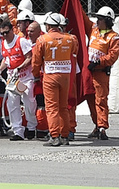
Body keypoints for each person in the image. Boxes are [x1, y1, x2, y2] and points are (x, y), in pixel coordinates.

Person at [32, 12, 78, 146]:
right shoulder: (71, 39)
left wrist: (35, 75)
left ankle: (54, 136)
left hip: (50, 76)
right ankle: (65, 136)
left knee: (52, 107)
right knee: (63, 107)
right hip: (65, 76)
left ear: (48, 25)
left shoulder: (42, 40)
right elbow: (74, 52)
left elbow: (36, 61)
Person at [82, 6, 119, 140]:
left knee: (101, 100)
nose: (97, 21)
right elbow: (84, 19)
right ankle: (97, 125)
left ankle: (102, 127)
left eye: (100, 19)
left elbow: (112, 56)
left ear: (108, 21)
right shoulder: (93, 29)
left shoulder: (114, 37)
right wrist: (75, 0)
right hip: (89, 71)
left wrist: (98, 62)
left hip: (101, 73)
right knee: (90, 98)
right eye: (97, 18)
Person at [0, 20, 37, 141]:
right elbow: (5, 59)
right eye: (2, 33)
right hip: (12, 79)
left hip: (25, 77)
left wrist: (19, 68)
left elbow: (30, 57)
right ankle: (18, 130)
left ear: (12, 30)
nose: (4, 35)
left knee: (29, 102)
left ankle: (31, 126)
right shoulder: (3, 43)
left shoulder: (21, 41)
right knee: (12, 104)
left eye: (6, 32)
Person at [27, 21, 48, 139]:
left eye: (31, 31)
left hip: (40, 78)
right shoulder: (26, 43)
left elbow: (36, 63)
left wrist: (36, 75)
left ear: (39, 32)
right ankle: (31, 127)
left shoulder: (43, 43)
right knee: (30, 104)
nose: (29, 33)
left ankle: (42, 129)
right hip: (30, 78)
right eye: (28, 31)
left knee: (42, 104)